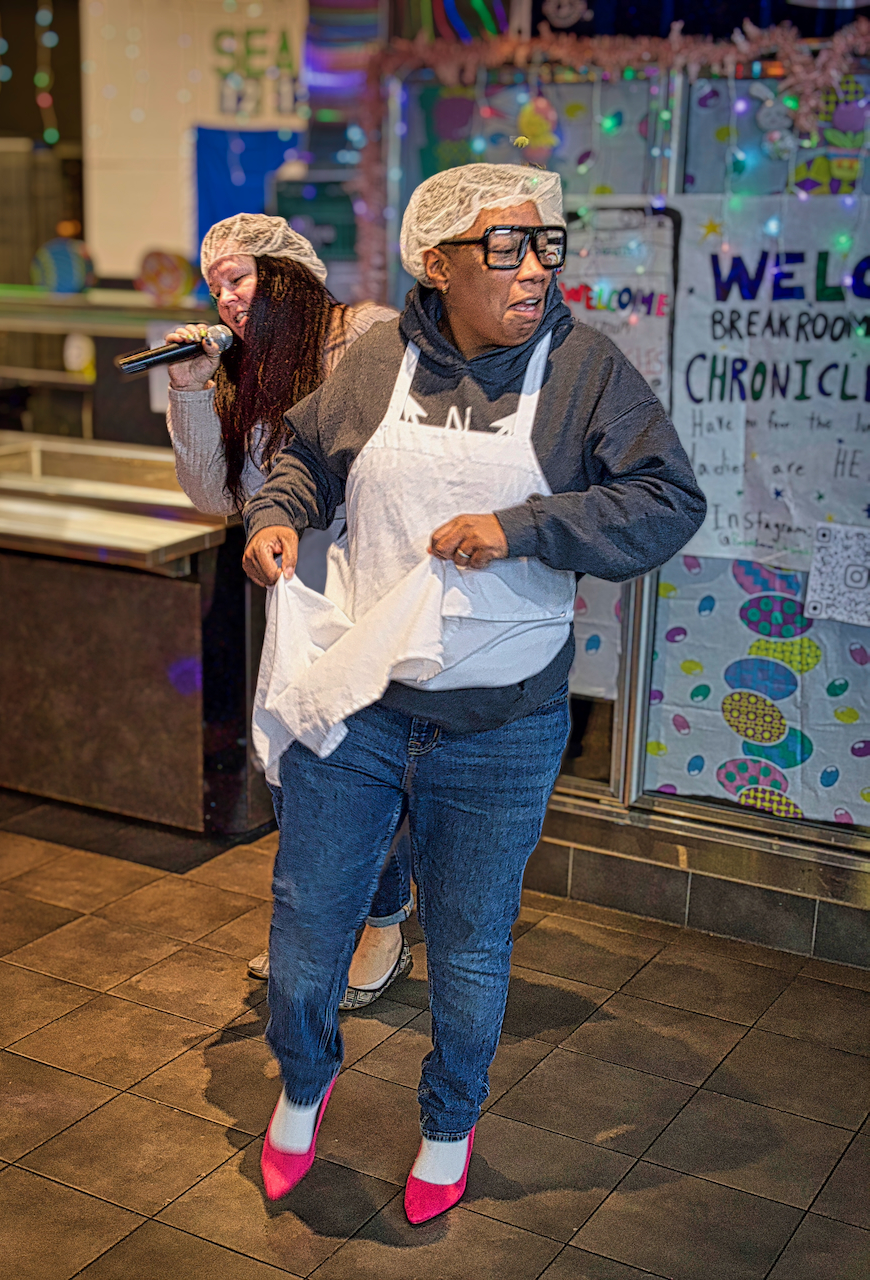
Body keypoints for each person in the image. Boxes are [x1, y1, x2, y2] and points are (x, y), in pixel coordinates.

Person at [240, 164, 706, 1222]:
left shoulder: (583, 370)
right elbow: (304, 457)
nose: (535, 267)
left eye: (546, 245)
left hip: (501, 726)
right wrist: (276, 515)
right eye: (506, 248)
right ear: (436, 263)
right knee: (307, 932)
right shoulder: (377, 361)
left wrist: (524, 526)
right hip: (360, 705)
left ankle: (449, 1123)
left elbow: (665, 500)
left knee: (469, 947)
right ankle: (303, 1085)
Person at [163, 214, 411, 1006]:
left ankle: (383, 924)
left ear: (285, 273)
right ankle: (321, 925)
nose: (226, 300)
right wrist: (190, 387)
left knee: (360, 767)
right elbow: (214, 496)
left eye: (237, 278)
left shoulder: (365, 333)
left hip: (377, 596)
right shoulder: (243, 368)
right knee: (300, 771)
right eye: (215, 288)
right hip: (297, 601)